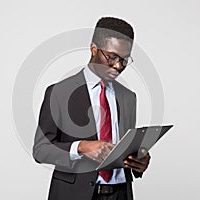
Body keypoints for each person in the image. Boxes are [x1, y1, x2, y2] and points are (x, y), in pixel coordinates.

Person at [33, 17, 151, 200]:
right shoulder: (59, 92)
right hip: (74, 194)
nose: (118, 66)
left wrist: (138, 161)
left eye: (125, 60)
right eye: (112, 57)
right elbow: (41, 149)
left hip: (120, 194)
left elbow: (124, 147)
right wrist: (81, 147)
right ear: (93, 49)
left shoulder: (128, 97)